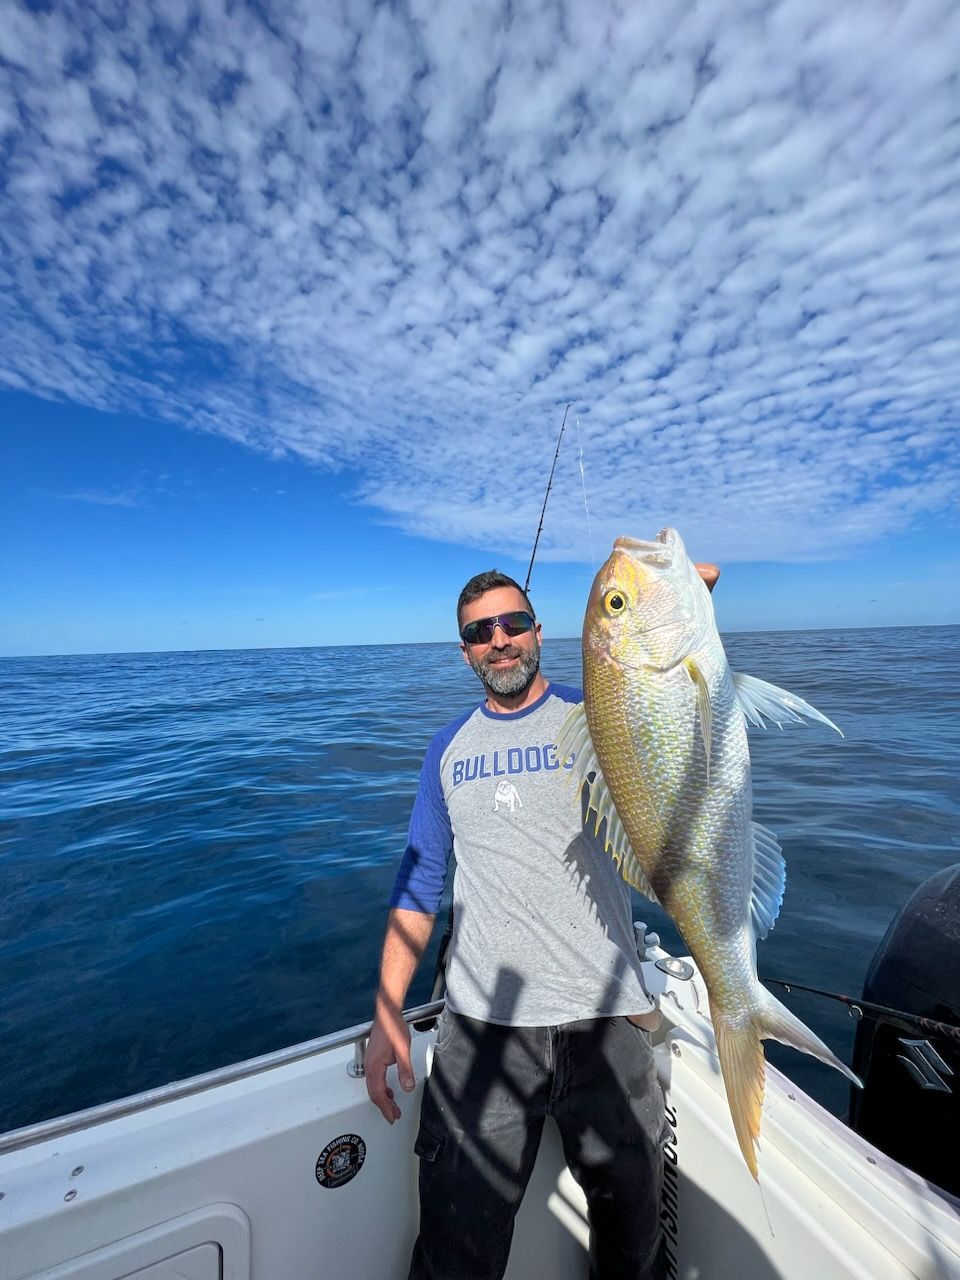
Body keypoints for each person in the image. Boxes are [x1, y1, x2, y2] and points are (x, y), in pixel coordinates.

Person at [365, 564, 719, 1280]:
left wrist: (680, 602)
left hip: (608, 1023)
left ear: (539, 632)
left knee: (634, 1252)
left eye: (512, 623)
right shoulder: (446, 751)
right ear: (463, 651)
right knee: (454, 1258)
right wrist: (386, 1012)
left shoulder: (601, 718)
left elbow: (674, 713)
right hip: (481, 1031)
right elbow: (418, 883)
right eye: (479, 632)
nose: (499, 641)